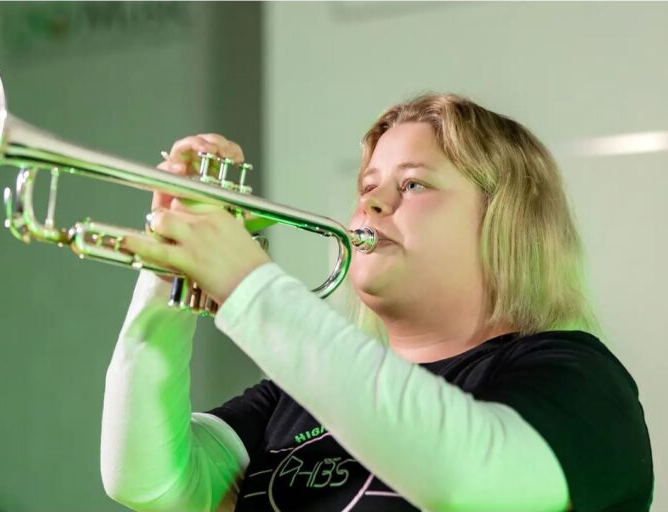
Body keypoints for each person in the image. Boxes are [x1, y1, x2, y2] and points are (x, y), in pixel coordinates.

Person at [100, 94, 654, 512]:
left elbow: (473, 480)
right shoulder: (297, 394)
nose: (374, 203)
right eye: (367, 186)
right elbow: (148, 481)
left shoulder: (580, 379)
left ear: (505, 221)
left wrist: (249, 285)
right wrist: (169, 268)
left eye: (413, 185)